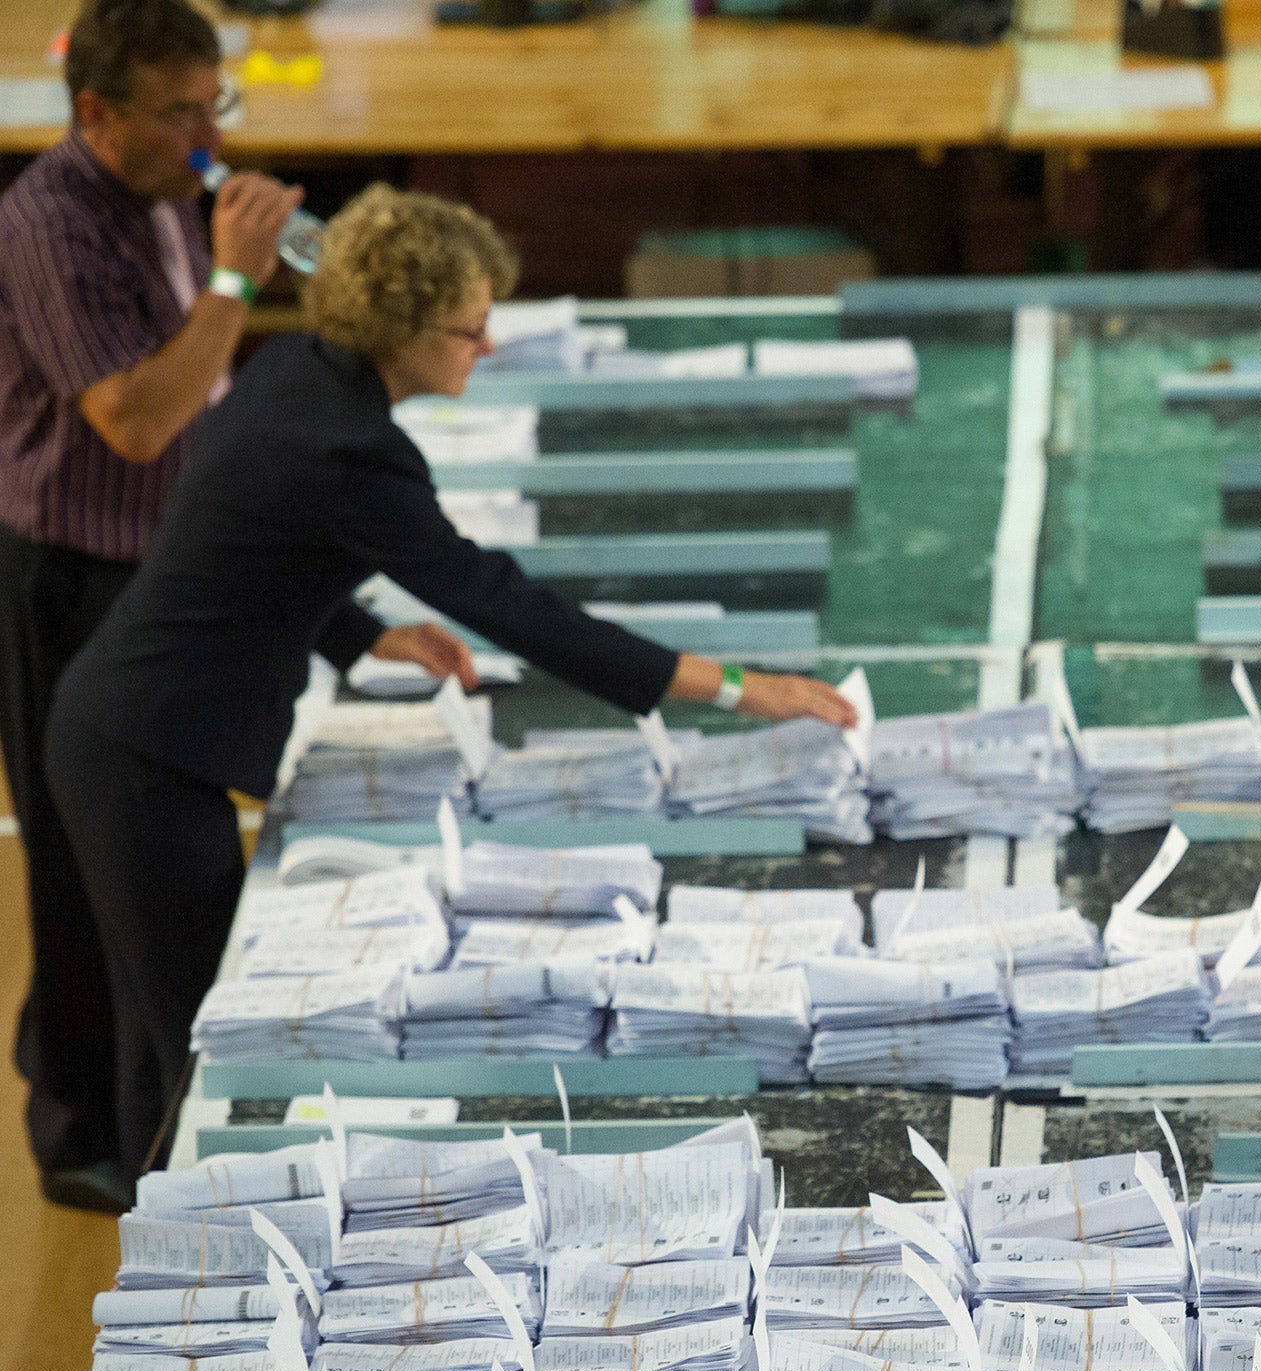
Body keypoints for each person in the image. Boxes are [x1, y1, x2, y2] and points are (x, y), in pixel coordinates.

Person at [44, 184, 855, 1193]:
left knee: (161, 1028)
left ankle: (153, 1216)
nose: (486, 345)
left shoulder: (299, 372)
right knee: (201, 1045)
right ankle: (180, 1261)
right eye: (468, 328)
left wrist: (359, 633)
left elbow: (239, 530)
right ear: (401, 327)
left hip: (121, 727)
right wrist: (734, 688)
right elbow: (505, 604)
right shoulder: (351, 451)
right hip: (144, 754)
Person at [0, 0, 302, 1211]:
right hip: (67, 581)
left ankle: (137, 1093)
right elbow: (133, 420)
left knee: (143, 865)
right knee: (78, 870)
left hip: (158, 568)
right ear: (95, 113)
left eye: (211, 104)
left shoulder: (169, 193)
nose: (202, 136)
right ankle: (80, 1131)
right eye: (177, 113)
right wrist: (237, 277)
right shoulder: (46, 225)